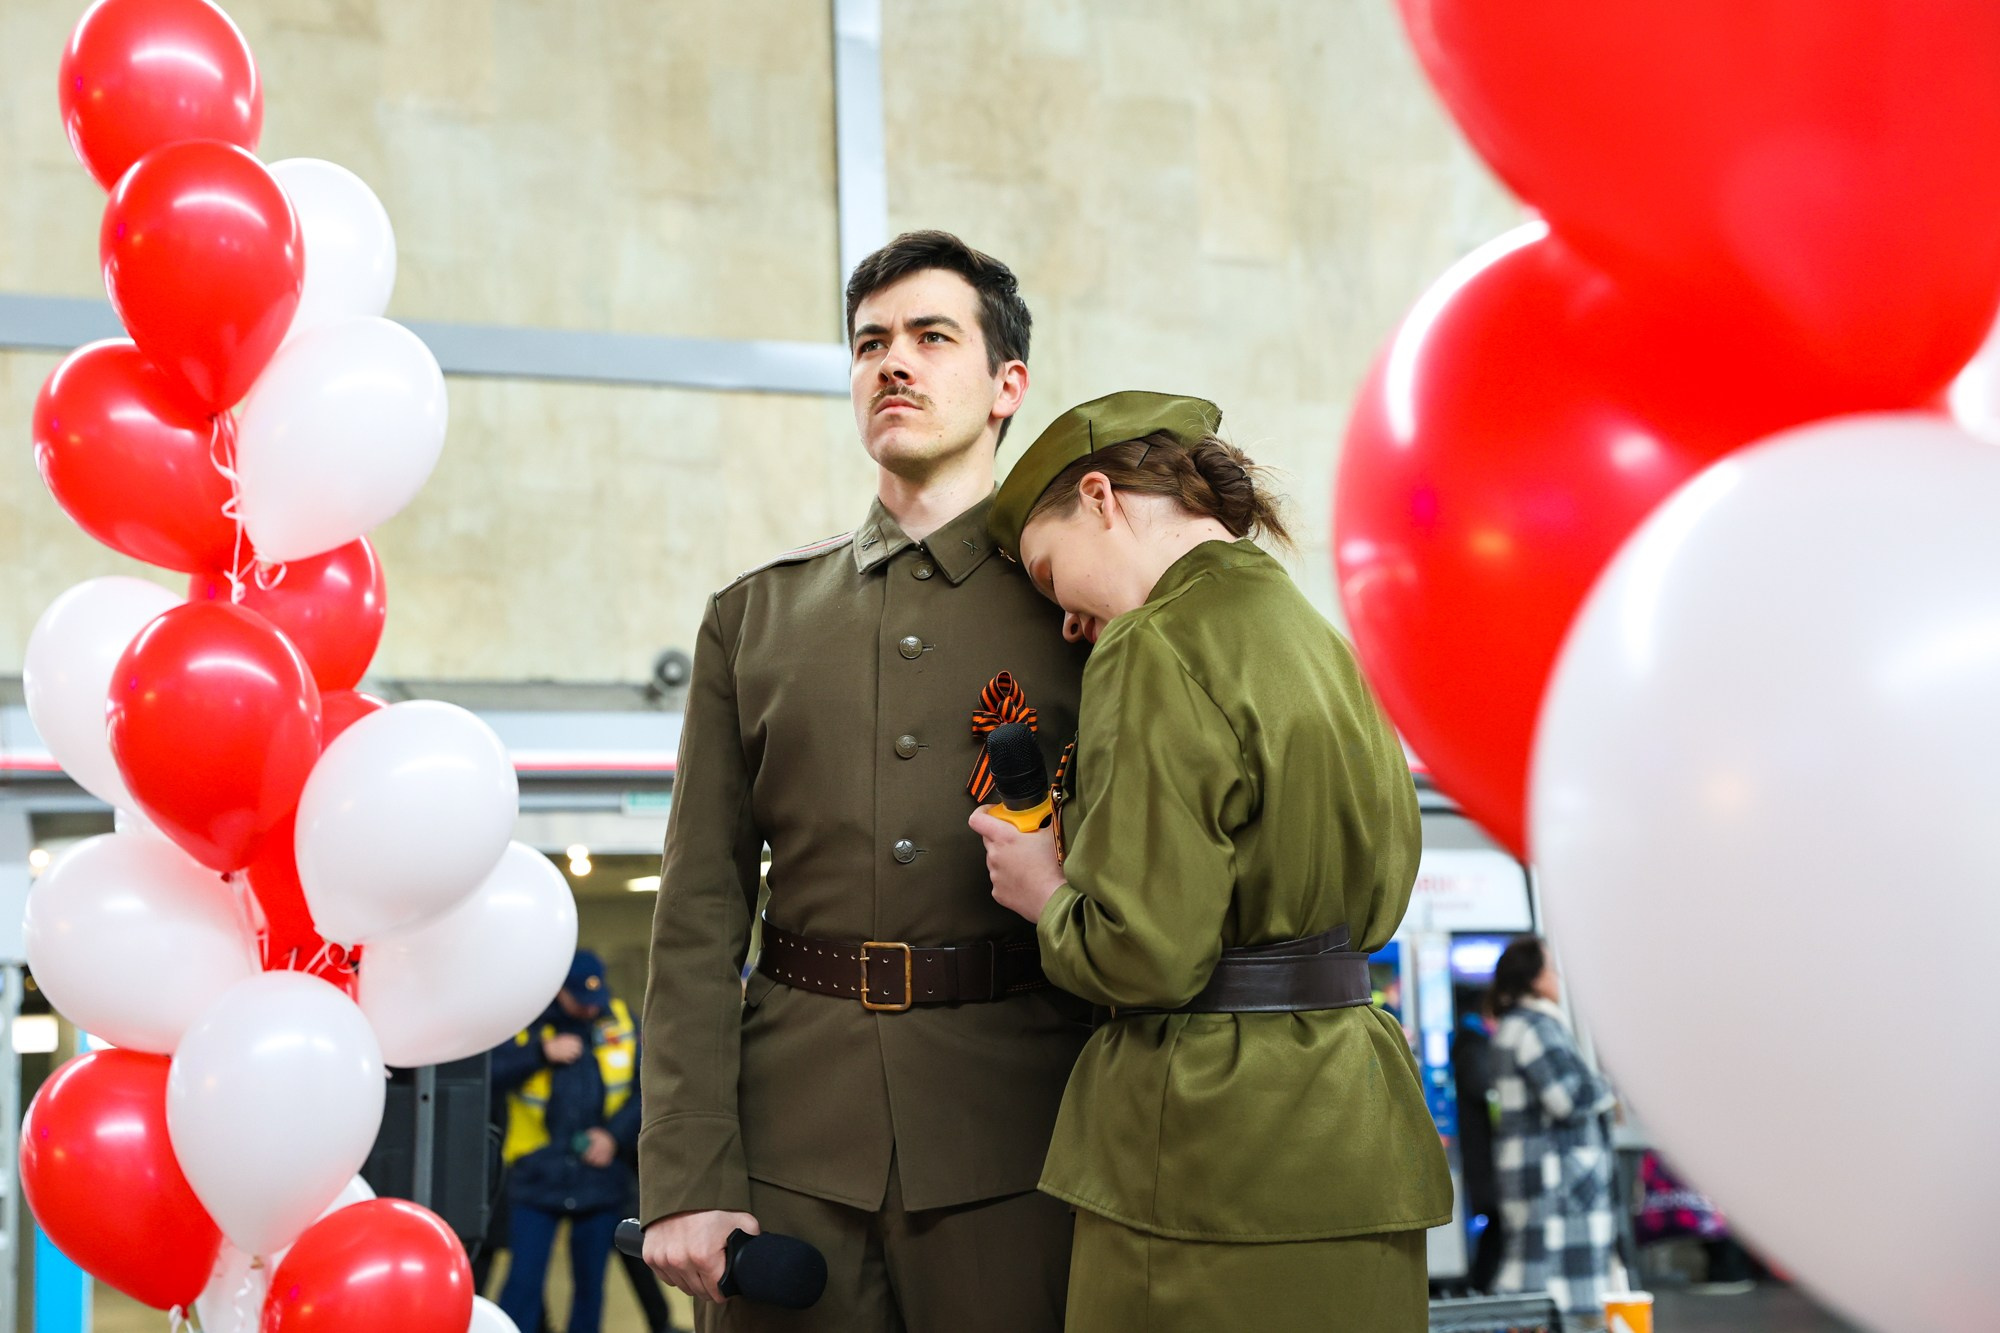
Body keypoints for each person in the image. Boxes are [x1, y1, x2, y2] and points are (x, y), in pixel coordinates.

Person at [639, 230, 1091, 1332]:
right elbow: (698, 913)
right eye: (869, 343)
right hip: (792, 1154)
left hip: (1026, 1139)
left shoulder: (1086, 608)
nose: (894, 362)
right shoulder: (752, 620)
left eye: (933, 337)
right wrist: (689, 1172)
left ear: (1004, 385)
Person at [971, 391, 1452, 1332]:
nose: (1064, 618)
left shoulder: (1154, 645)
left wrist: (1043, 891)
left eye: (1047, 572)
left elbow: (1143, 955)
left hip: (1204, 1157)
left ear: (1102, 498)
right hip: (1360, 1134)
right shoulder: (1322, 641)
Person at [493, 951, 642, 1333]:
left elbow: (648, 1091)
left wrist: (614, 1136)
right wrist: (540, 1053)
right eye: (579, 1000)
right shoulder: (525, 1022)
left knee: (590, 1291)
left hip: (600, 1175)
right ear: (558, 991)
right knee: (522, 1286)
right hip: (536, 1174)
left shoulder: (622, 1023)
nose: (590, 1010)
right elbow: (491, 1072)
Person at [1486, 936, 1621, 1328]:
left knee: (1531, 1274)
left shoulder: (1514, 1025)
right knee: (1548, 1287)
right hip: (1555, 1180)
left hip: (1533, 1173)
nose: (1559, 978)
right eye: (1552, 969)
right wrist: (1610, 1083)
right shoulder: (1536, 1027)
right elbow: (1570, 1098)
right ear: (1535, 978)